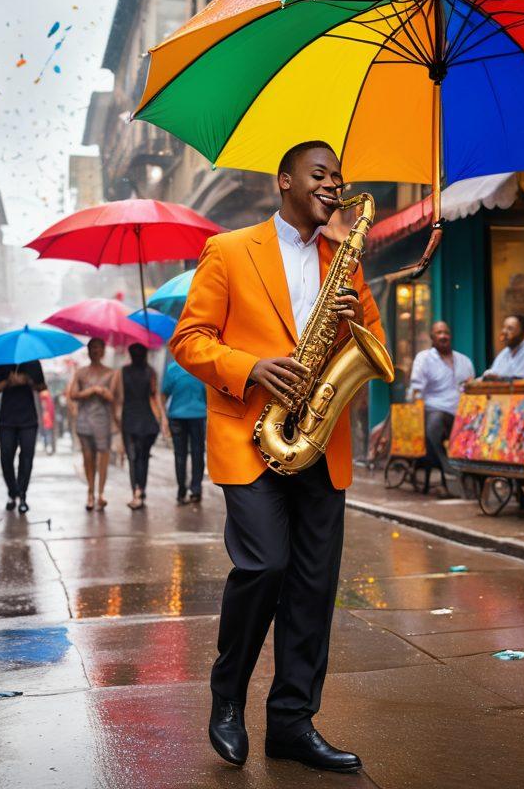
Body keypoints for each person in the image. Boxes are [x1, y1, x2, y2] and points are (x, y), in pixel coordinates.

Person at [172, 140, 384, 772]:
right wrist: (251, 367)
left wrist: (355, 310)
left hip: (320, 439)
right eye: (320, 175)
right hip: (254, 434)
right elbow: (189, 341)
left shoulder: (342, 258)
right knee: (264, 567)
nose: (332, 185)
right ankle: (227, 698)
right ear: (285, 181)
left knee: (314, 587)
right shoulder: (229, 249)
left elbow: (370, 340)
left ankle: (292, 722)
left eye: (339, 178)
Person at [409, 321, 475, 492]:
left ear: (450, 336)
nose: (443, 336)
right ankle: (449, 468)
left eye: (446, 332)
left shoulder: (464, 361)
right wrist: (412, 406)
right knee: (434, 423)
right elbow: (416, 389)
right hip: (434, 411)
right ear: (432, 337)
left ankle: (473, 473)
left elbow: (471, 389)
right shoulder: (424, 359)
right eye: (438, 333)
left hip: (460, 413)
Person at [115, 342, 168, 510]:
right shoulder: (151, 372)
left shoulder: (123, 372)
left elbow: (119, 397)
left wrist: (117, 420)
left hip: (129, 419)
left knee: (133, 458)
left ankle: (136, 492)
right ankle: (141, 490)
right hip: (148, 420)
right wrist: (163, 418)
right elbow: (155, 396)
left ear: (130, 355)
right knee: (143, 458)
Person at [0, 360, 46, 513]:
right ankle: (12, 491)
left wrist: (27, 381)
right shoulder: (2, 362)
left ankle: (22, 495)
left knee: (27, 458)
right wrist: (8, 382)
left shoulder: (33, 363)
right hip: (7, 420)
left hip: (29, 420)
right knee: (6, 457)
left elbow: (42, 386)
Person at [69, 338, 117, 511]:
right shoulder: (81, 373)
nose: (96, 351)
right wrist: (89, 391)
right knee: (88, 458)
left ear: (103, 351)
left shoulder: (112, 373)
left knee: (103, 456)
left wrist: (103, 392)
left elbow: (115, 397)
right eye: (93, 348)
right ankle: (90, 491)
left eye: (99, 347)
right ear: (88, 351)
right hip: (84, 420)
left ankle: (101, 493)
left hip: (103, 421)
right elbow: (72, 394)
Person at [162, 358, 207, 505]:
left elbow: (164, 395)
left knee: (180, 455)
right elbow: (209, 395)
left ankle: (182, 491)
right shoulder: (202, 366)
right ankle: (195, 490)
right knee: (197, 453)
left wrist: (164, 417)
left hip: (178, 417)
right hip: (197, 416)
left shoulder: (173, 369)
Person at [482, 314, 524, 380]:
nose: (504, 332)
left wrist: (501, 379)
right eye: (503, 328)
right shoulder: (503, 353)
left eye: (510, 328)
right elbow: (494, 372)